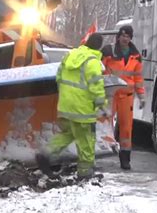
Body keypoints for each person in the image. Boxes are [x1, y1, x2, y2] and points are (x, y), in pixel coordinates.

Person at [37, 33, 107, 180]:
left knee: (67, 135)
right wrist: (102, 103)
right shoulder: (92, 61)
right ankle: (85, 174)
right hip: (82, 110)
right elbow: (96, 85)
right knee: (86, 142)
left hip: (65, 106)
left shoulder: (70, 55)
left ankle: (46, 152)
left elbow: (58, 77)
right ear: (99, 46)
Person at [101, 25, 145, 170]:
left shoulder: (136, 56)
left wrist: (141, 95)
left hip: (127, 96)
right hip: (110, 94)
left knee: (126, 128)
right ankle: (102, 152)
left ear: (131, 38)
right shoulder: (108, 51)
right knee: (104, 123)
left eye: (128, 36)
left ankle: (125, 158)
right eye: (123, 36)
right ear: (118, 36)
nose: (125, 39)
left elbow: (138, 78)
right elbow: (99, 69)